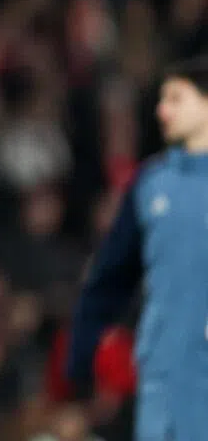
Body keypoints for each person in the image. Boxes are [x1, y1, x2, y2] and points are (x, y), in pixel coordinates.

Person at [67, 57, 208, 441]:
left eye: (176, 98)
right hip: (163, 374)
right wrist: (81, 359)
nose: (163, 111)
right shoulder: (151, 184)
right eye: (162, 100)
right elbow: (111, 277)